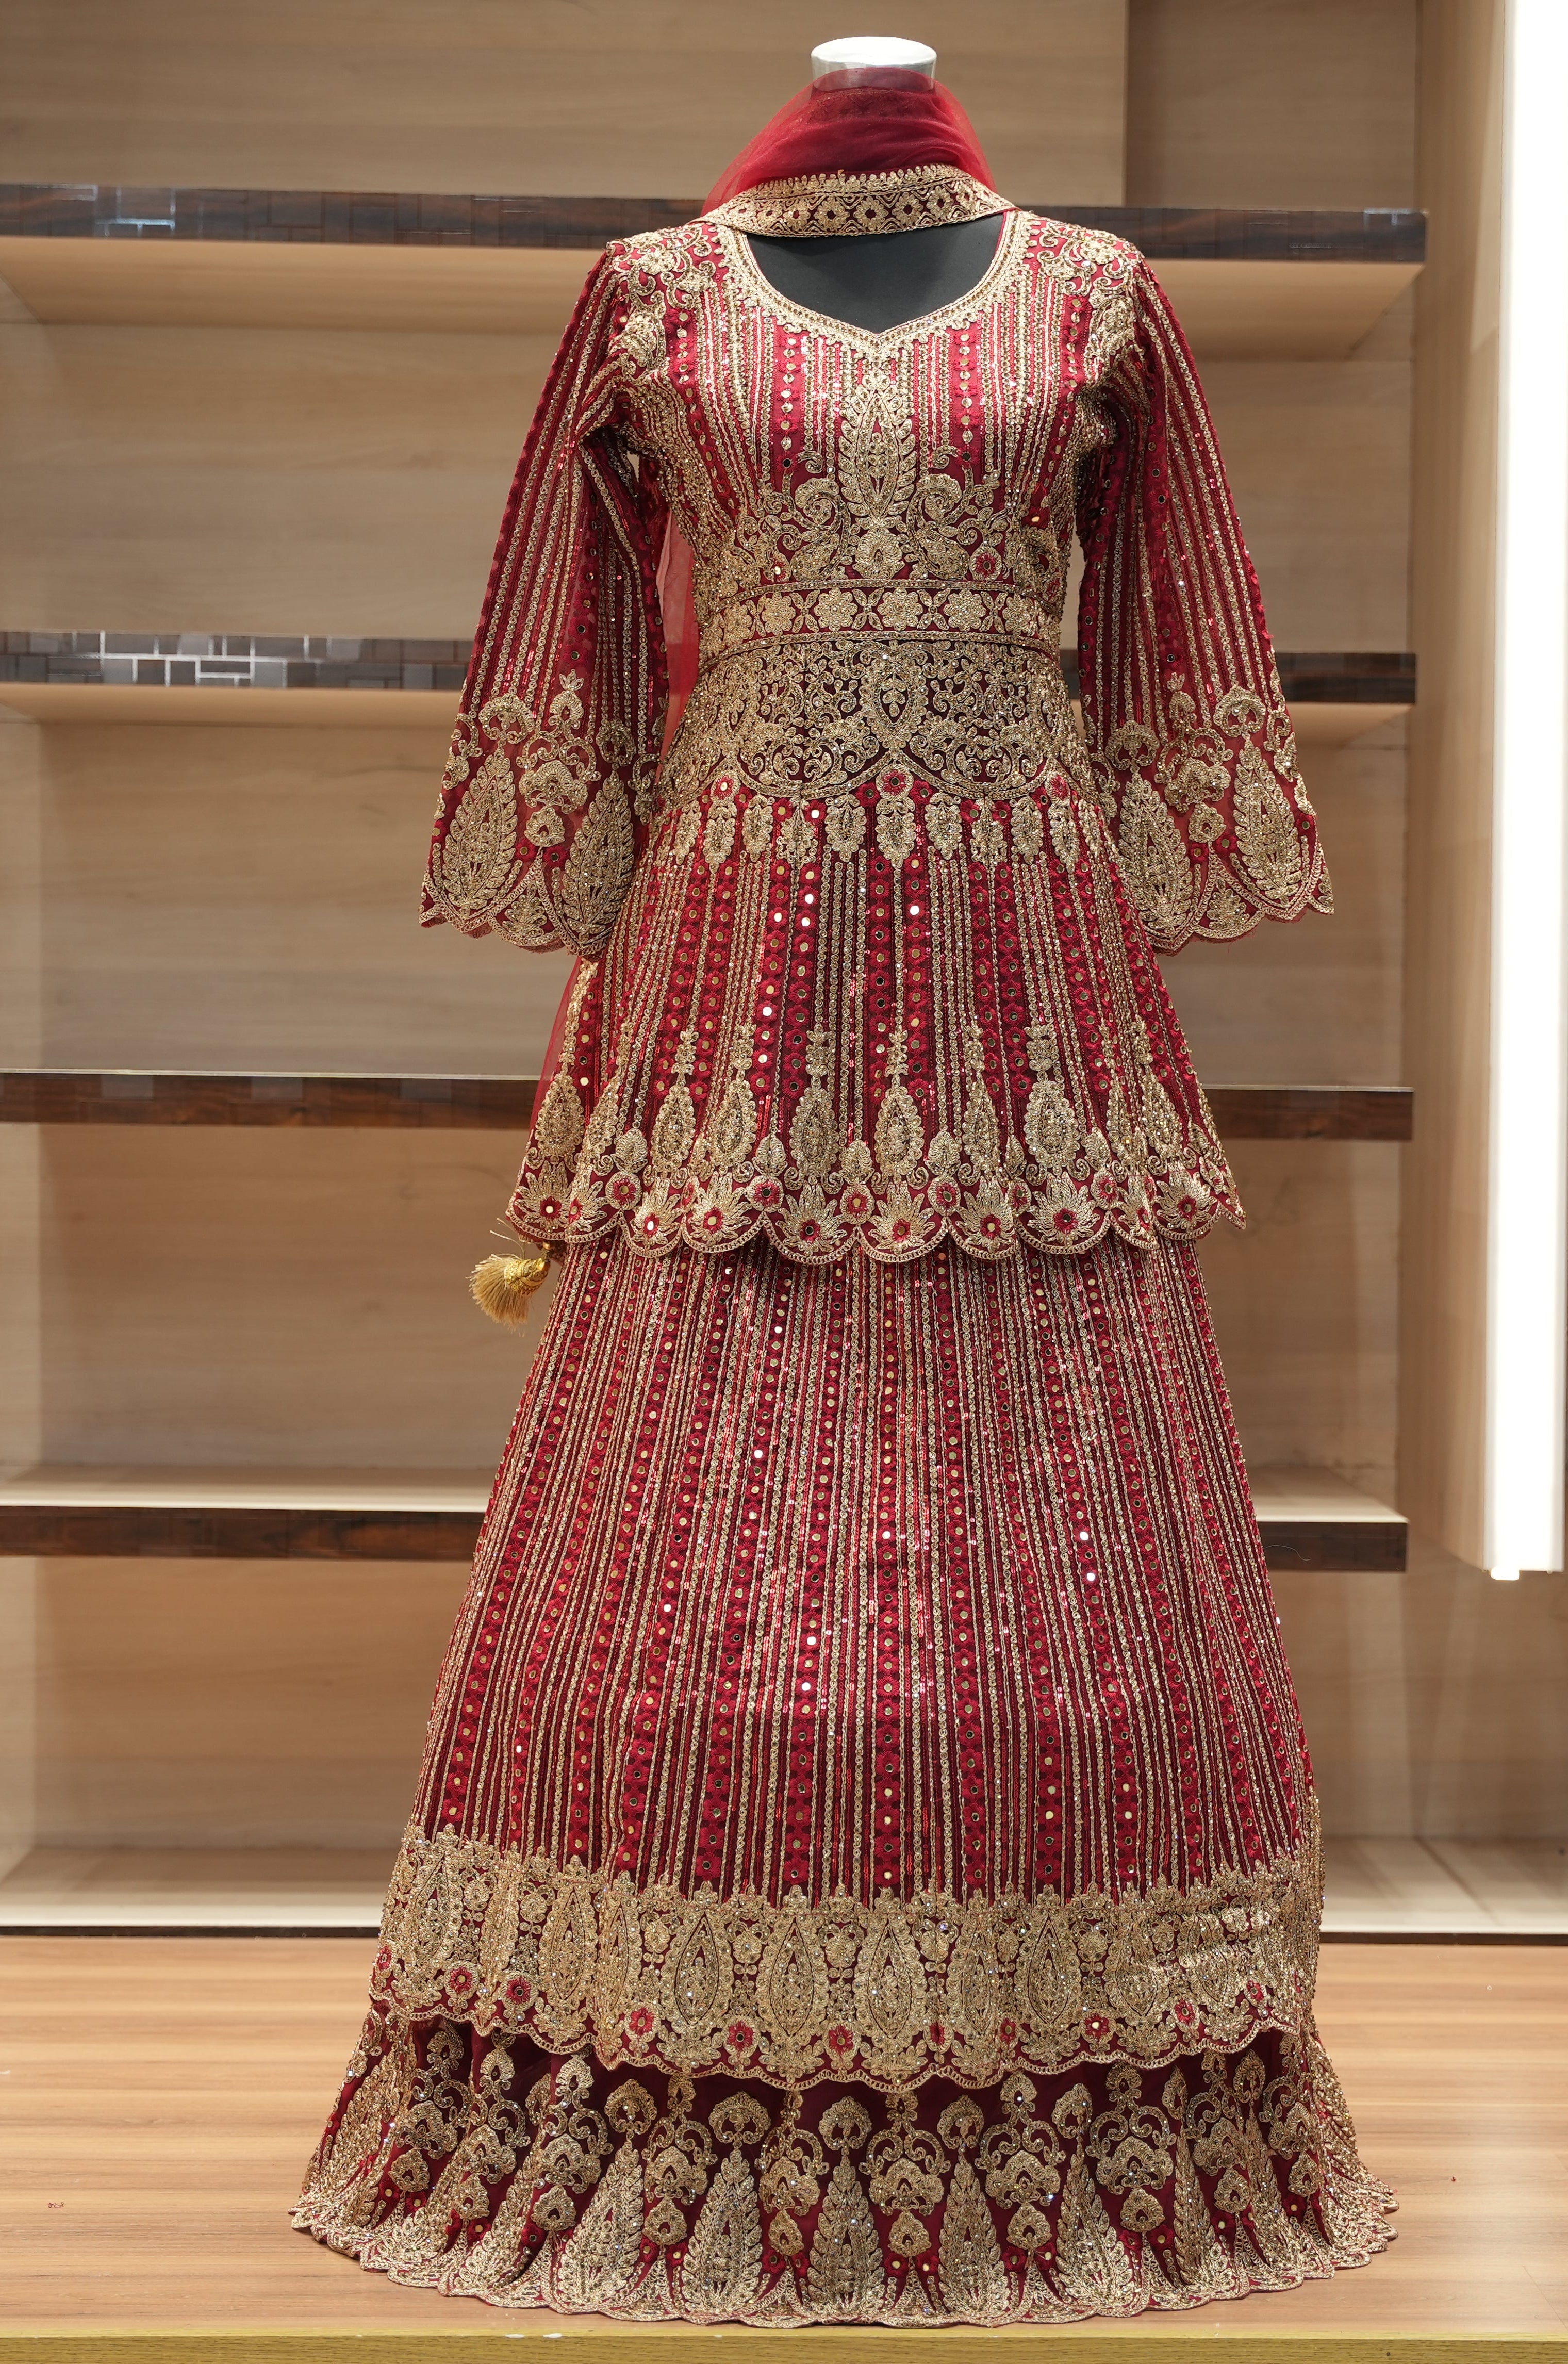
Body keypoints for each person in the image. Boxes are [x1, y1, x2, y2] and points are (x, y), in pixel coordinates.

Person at [294, 45, 1394, 2325]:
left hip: (1023, 949)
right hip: (734, 936)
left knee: (1064, 1479)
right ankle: (628, 2067)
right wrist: (583, 870)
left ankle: (1099, 2073)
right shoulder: (650, 300)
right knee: (684, 1466)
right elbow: (575, 636)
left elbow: (1159, 635)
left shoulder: (1101, 298)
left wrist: (1158, 827)